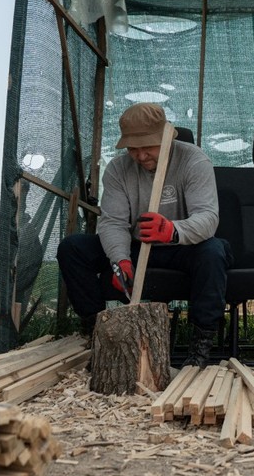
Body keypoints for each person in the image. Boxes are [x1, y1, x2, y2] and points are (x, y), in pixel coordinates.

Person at [56, 102, 232, 368]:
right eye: (132, 148)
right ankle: (99, 333)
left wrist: (173, 230)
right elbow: (113, 222)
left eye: (147, 146)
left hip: (182, 246)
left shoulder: (193, 160)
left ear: (165, 138)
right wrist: (120, 259)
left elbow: (208, 218)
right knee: (73, 248)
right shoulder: (118, 169)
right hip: (136, 247)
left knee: (214, 252)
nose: (140, 156)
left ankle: (201, 343)